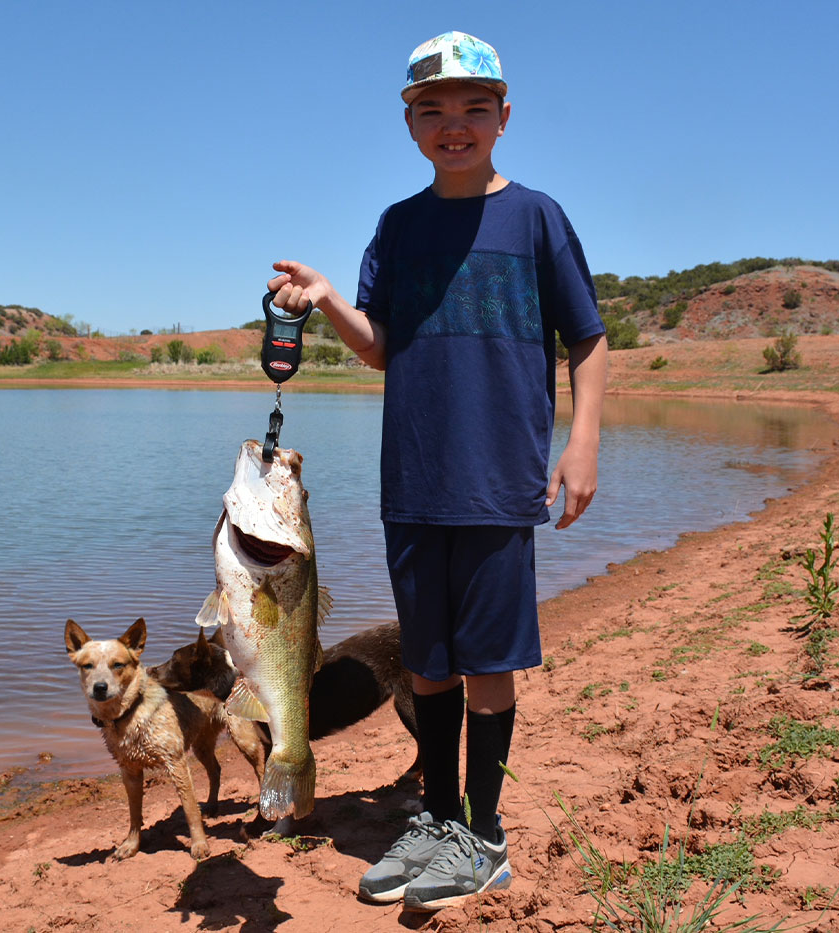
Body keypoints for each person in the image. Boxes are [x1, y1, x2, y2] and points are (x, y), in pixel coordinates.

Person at [266, 31, 607, 911]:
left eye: (472, 109)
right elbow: (381, 347)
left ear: (502, 117)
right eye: (434, 111)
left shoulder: (535, 216)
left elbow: (588, 336)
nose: (454, 125)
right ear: (411, 124)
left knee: (489, 662)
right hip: (413, 481)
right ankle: (439, 815)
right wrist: (329, 297)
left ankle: (484, 838)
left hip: (498, 482)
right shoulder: (398, 226)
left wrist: (583, 442)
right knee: (426, 662)